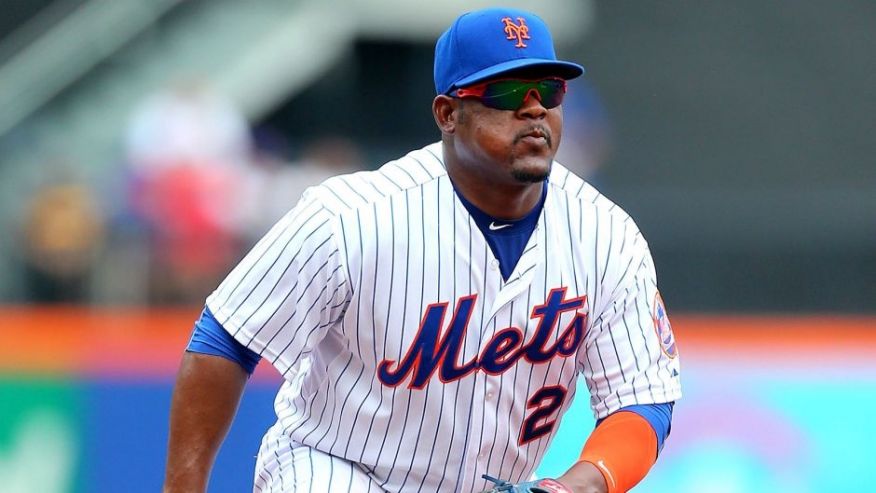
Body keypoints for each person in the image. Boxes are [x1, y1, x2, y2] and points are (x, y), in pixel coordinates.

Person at [163, 7, 681, 493]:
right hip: (337, 465)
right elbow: (226, 339)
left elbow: (643, 398)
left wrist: (578, 484)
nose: (533, 110)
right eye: (506, 93)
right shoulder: (350, 218)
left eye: (548, 90)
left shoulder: (607, 237)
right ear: (448, 113)